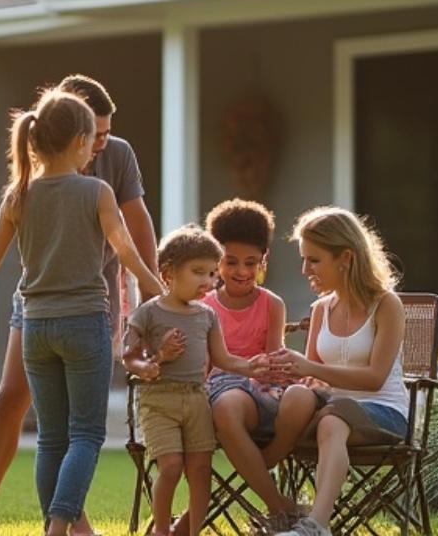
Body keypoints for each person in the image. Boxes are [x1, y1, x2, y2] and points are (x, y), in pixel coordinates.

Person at [0, 89, 163, 536]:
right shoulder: (96, 190)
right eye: (93, 139)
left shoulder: (19, 194)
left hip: (34, 327)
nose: (97, 148)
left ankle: (55, 527)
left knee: (50, 438)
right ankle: (58, 529)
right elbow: (123, 247)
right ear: (77, 141)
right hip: (84, 323)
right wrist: (158, 289)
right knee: (87, 435)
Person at [268, 207, 409, 536]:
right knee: (303, 398)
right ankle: (273, 488)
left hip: (385, 413)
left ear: (345, 257)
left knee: (333, 418)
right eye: (304, 260)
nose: (305, 270)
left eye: (313, 260)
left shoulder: (386, 305)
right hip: (332, 415)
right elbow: (313, 377)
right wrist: (287, 373)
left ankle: (316, 525)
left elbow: (376, 377)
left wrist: (311, 367)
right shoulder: (320, 310)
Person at [123, 226, 266, 536]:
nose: (208, 281)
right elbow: (129, 356)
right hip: (159, 400)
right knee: (172, 466)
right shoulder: (148, 314)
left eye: (213, 273)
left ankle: (191, 531)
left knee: (201, 470)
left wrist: (254, 368)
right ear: (168, 273)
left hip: (197, 398)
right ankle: (162, 529)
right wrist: (157, 359)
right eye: (198, 272)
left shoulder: (206, 316)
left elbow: (224, 359)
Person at [195, 199, 316, 532]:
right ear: (215, 260)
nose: (241, 272)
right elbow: (205, 367)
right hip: (224, 389)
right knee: (227, 406)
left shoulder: (271, 304)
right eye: (231, 262)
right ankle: (280, 506)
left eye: (251, 262)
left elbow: (276, 356)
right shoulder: (204, 306)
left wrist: (282, 370)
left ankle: (257, 474)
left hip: (267, 391)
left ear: (264, 259)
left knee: (302, 400)